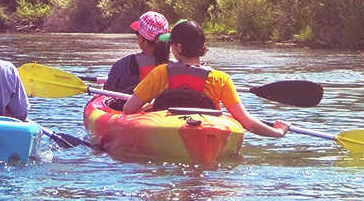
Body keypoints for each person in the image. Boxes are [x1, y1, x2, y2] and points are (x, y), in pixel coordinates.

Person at [122, 19, 290, 139]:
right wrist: (278, 132)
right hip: (207, 136)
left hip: (165, 134)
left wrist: (151, 106)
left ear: (178, 47)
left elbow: (128, 109)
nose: (170, 48)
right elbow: (247, 123)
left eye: (171, 44)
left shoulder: (160, 72)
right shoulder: (220, 79)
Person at [103, 11, 171, 93]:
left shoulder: (122, 65)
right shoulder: (174, 67)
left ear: (140, 38)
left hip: (129, 105)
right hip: (162, 104)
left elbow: (107, 92)